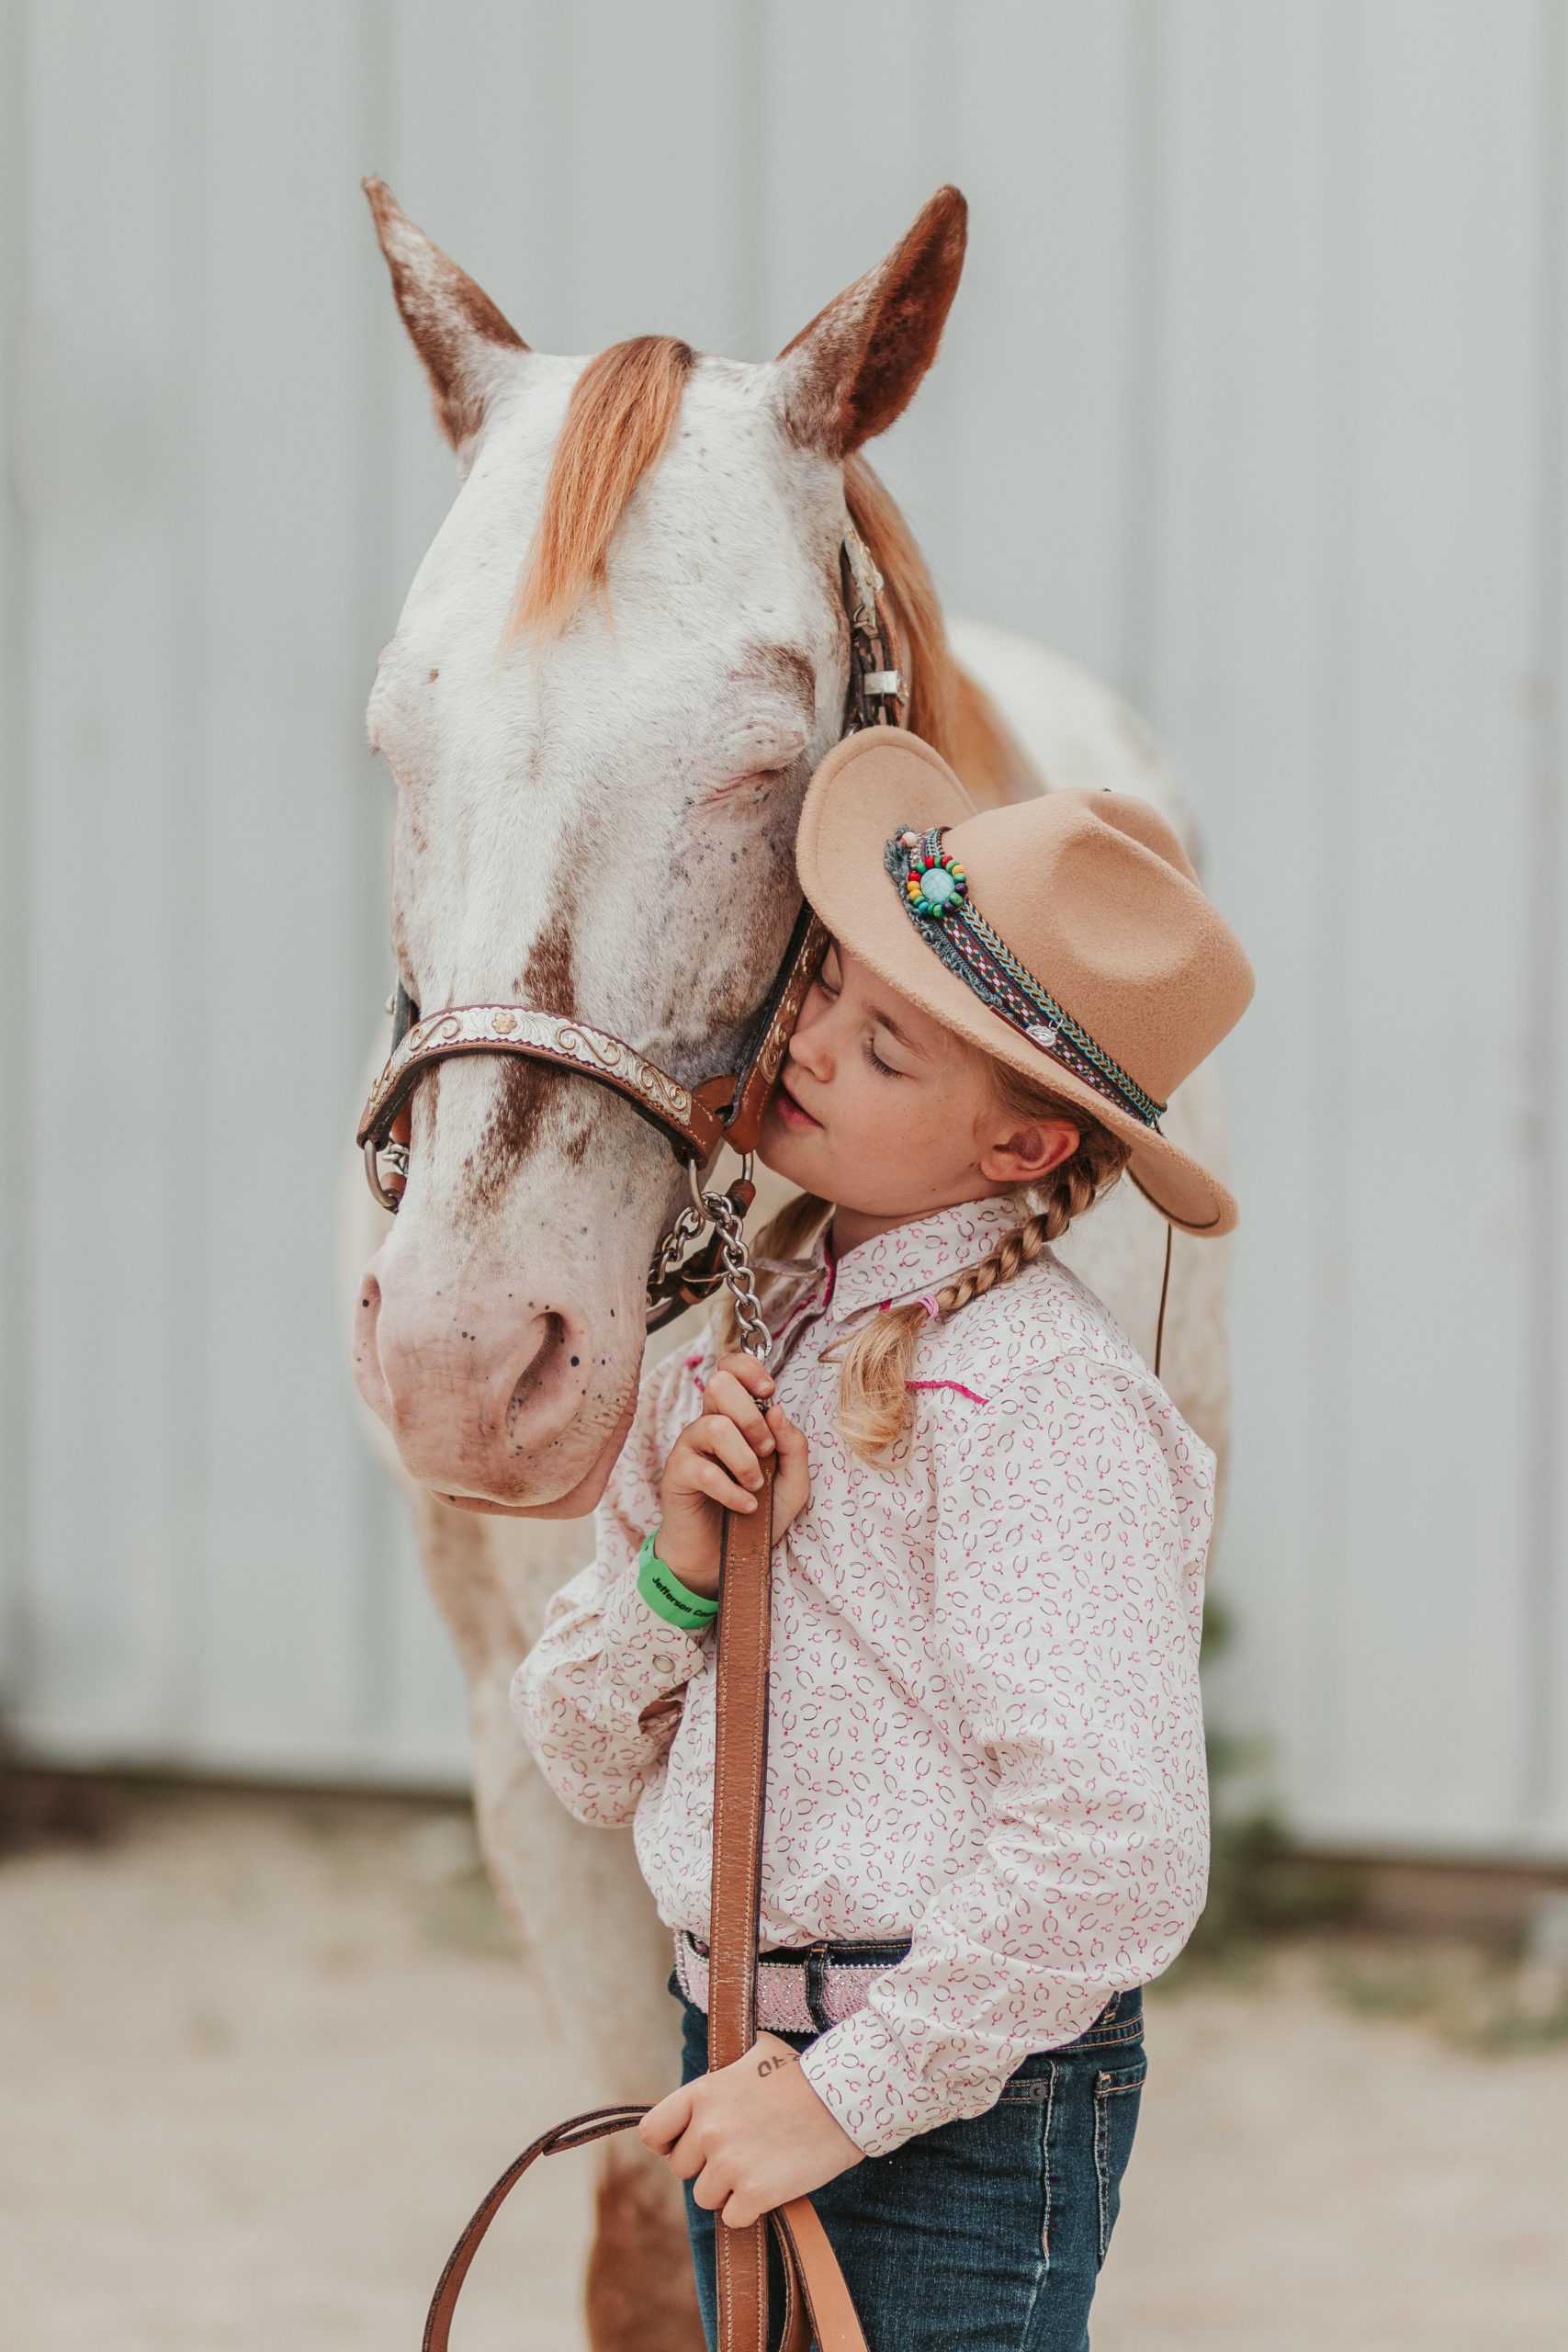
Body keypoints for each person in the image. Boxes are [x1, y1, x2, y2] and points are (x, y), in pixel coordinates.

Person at [511, 724, 1255, 2349]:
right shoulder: (730, 1337)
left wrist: (850, 2098)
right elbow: (575, 1754)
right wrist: (677, 1576)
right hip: (741, 2075)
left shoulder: (1036, 1398)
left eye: (893, 1052)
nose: (819, 1045)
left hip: (945, 2115)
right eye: (835, 988)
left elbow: (1114, 1847)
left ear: (1026, 1145)